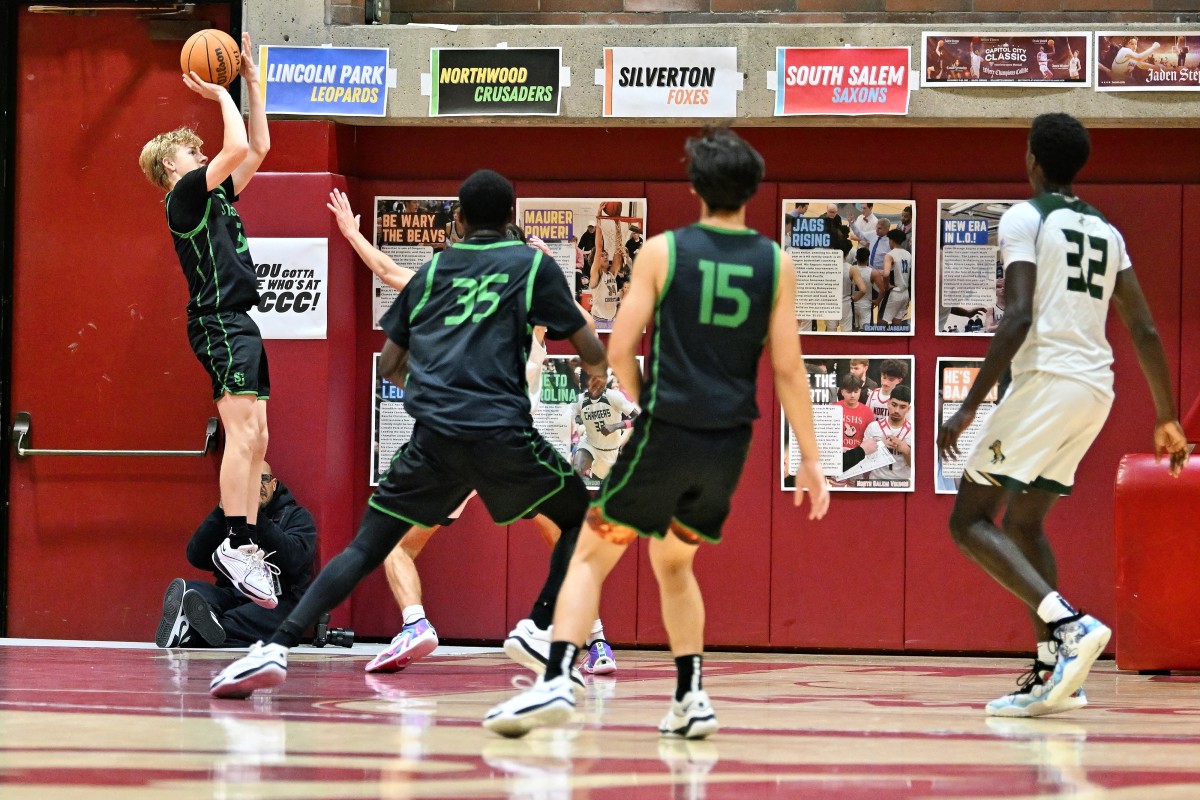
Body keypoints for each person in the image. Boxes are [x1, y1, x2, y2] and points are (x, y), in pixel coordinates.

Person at [209, 169, 610, 699]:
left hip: (436, 438)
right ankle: (538, 627)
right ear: (512, 217)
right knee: (580, 524)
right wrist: (603, 375)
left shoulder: (437, 269)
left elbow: (392, 362)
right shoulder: (533, 267)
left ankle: (274, 646)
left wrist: (432, 384)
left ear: (459, 220)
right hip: (504, 435)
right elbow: (591, 350)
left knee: (366, 547)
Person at [483, 127, 830, 739]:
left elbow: (619, 348)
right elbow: (787, 368)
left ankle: (558, 677)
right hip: (729, 448)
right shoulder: (776, 263)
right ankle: (691, 696)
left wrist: (645, 406)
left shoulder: (664, 252)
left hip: (668, 430)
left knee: (588, 553)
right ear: (753, 189)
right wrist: (810, 457)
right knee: (674, 563)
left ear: (695, 186)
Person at [937, 113, 1189, 719]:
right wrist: (1167, 415)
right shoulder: (1109, 232)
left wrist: (969, 406)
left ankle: (1068, 625)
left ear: (1031, 160)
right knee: (1024, 521)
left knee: (969, 519)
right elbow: (1144, 328)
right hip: (1094, 390)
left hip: (1046, 381)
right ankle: (1058, 674)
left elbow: (1018, 315)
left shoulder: (1027, 217)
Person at [138, 33, 278, 609]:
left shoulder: (216, 197)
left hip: (239, 321)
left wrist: (253, 85)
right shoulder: (183, 200)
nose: (203, 158)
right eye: (192, 154)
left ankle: (240, 542)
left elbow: (259, 147)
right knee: (242, 435)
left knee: (259, 437)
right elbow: (235, 144)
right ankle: (235, 541)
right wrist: (221, 93)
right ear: (173, 167)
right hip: (218, 321)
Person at [155, 463, 317, 648]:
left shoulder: (297, 517)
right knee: (192, 591)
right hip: (233, 594)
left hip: (275, 601)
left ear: (274, 484)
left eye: (262, 479)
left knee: (249, 620)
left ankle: (191, 632)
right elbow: (196, 556)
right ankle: (198, 626)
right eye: (249, 480)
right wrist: (221, 510)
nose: (256, 486)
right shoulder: (231, 517)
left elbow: (296, 559)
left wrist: (256, 518)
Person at [862, 386, 913, 485]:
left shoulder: (913, 431)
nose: (896, 410)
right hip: (876, 481)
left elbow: (918, 468)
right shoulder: (873, 427)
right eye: (894, 405)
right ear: (888, 402)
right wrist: (880, 445)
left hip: (902, 484)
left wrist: (906, 451)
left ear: (908, 408)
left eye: (902, 407)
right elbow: (863, 460)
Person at [880, 229, 912, 326]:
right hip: (905, 293)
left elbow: (886, 274)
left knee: (881, 321)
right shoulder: (908, 254)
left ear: (892, 241)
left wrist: (886, 285)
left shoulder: (890, 255)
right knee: (897, 321)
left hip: (894, 292)